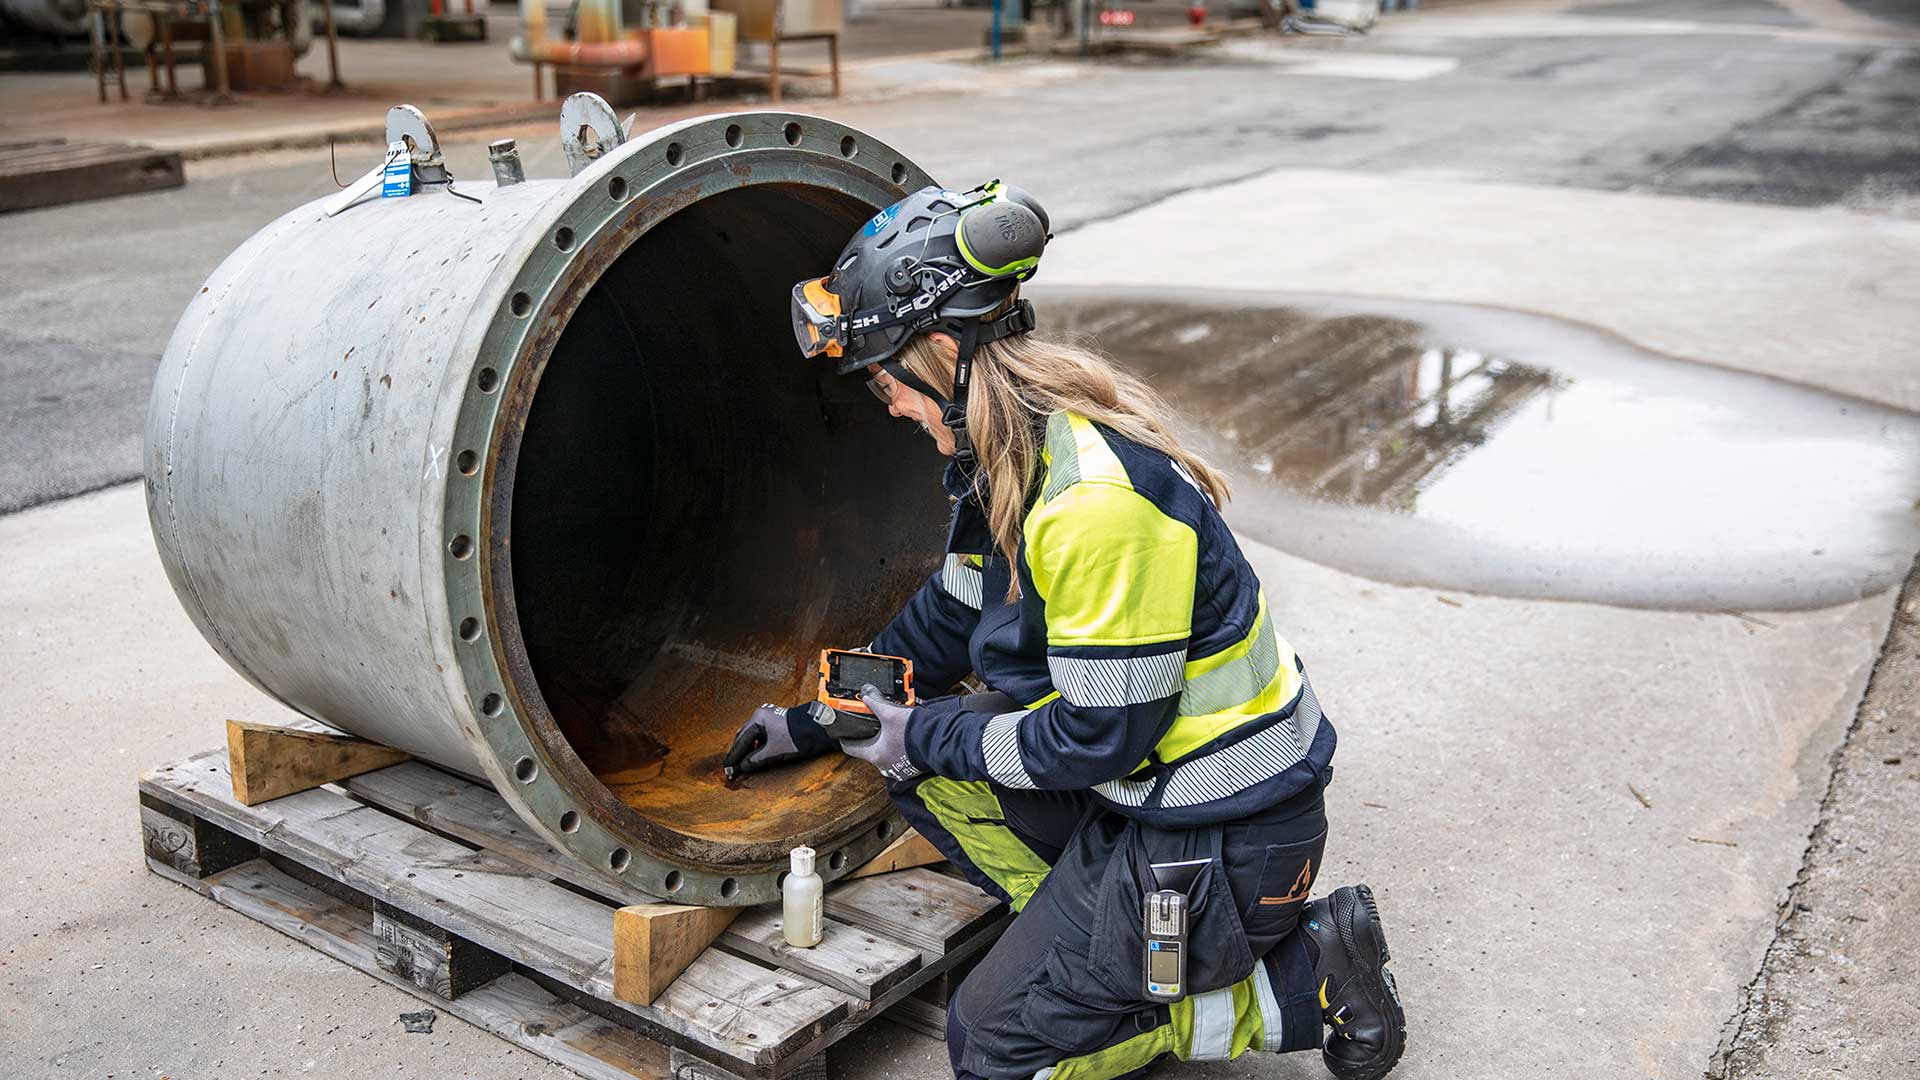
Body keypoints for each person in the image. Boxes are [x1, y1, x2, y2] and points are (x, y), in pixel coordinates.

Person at [725, 182, 1406, 1080]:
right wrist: (820, 717)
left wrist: (919, 730)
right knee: (924, 764)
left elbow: (1093, 736)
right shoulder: (1009, 457)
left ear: (941, 353)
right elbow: (950, 614)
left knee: (994, 1049)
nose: (887, 404)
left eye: (885, 380)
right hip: (1151, 798)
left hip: (1221, 837)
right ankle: (1084, 945)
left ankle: (1296, 978)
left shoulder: (1094, 504)